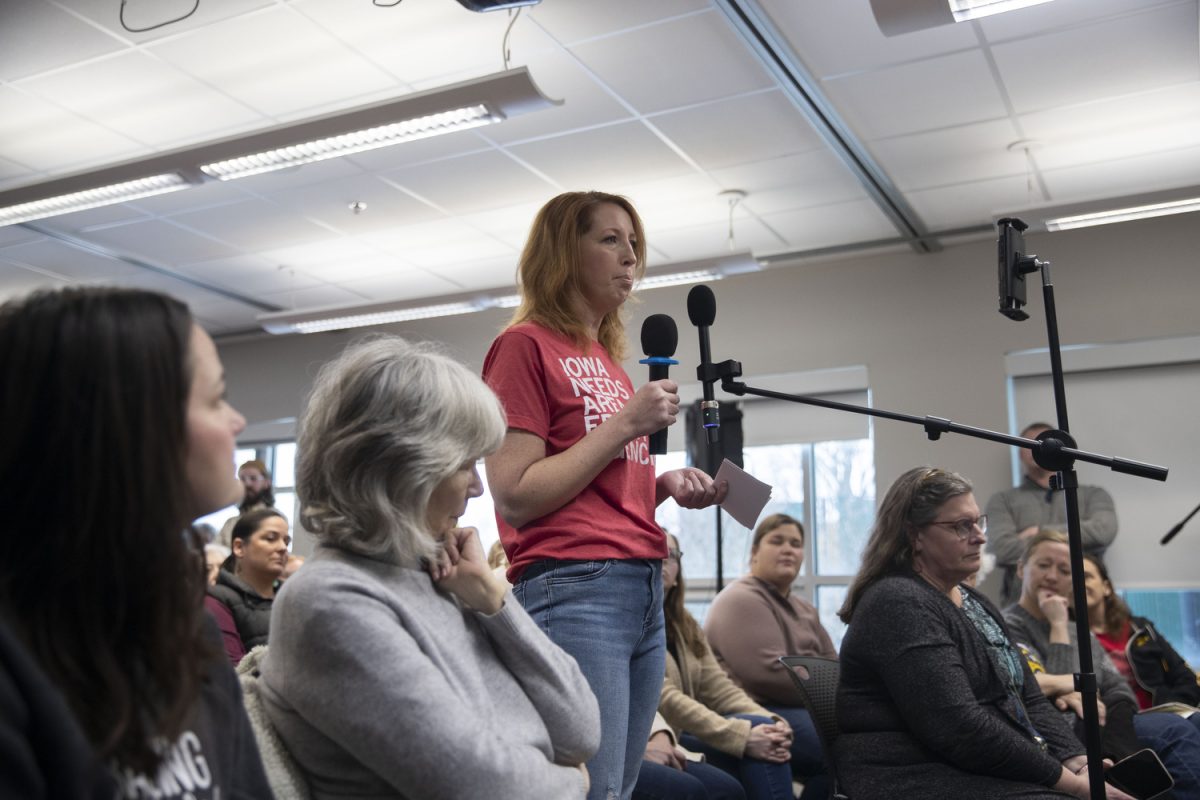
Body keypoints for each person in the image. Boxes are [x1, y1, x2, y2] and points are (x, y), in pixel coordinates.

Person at [261, 335, 600, 798]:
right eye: (466, 466)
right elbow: (485, 787)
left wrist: (495, 602)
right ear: (404, 469)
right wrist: (573, 782)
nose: (478, 488)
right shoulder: (329, 601)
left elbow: (580, 731)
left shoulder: (444, 574)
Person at [483, 190, 727, 800]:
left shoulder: (607, 363)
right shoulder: (524, 346)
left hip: (640, 585)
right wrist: (624, 425)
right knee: (586, 791)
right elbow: (515, 493)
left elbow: (597, 488)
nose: (631, 257)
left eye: (635, 243)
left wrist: (660, 486)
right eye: (610, 240)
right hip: (575, 586)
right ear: (565, 252)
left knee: (615, 790)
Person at [0, 287, 271, 798]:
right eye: (216, 398)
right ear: (129, 427)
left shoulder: (180, 624)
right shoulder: (16, 665)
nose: (237, 421)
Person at [835, 467, 1132, 800]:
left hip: (971, 767)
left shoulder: (974, 600)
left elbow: (1029, 697)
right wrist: (1070, 783)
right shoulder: (899, 602)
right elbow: (960, 727)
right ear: (914, 534)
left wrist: (1076, 761)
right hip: (911, 774)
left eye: (979, 522)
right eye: (962, 526)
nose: (979, 536)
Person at [1004, 530, 1200, 798]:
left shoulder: (1079, 629)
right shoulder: (1007, 625)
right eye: (1043, 565)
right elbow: (1053, 702)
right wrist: (1059, 627)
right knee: (1171, 730)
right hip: (1064, 736)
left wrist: (1081, 691)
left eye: (1064, 570)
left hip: (1110, 725)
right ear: (1020, 569)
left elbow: (1118, 686)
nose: (1052, 576)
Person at [659, 531, 796, 800]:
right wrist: (741, 736)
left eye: (672, 555)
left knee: (767, 732)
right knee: (757, 751)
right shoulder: (633, 622)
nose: (663, 560)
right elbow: (665, 698)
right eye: (655, 551)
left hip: (687, 730)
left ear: (678, 572)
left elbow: (720, 688)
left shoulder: (683, 623)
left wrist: (772, 721)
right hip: (661, 736)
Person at [703, 513, 833, 796]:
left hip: (801, 708)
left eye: (796, 544)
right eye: (777, 541)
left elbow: (833, 668)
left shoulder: (804, 609)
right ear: (754, 553)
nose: (788, 549)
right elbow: (769, 675)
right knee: (842, 748)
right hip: (753, 710)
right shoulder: (739, 599)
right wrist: (826, 687)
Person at [986, 422, 1118, 604]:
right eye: (1029, 443)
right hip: (1024, 611)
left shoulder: (1093, 495)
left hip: (1083, 606)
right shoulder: (1002, 501)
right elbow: (1001, 550)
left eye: (1045, 442)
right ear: (1019, 453)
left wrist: (1037, 533)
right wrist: (1077, 539)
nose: (1039, 447)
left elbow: (1103, 532)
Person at [1083, 553, 1200, 720]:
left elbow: (1184, 676)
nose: (1078, 584)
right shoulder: (1069, 638)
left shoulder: (1139, 628)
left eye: (1086, 577)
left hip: (1163, 711)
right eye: (1071, 579)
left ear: (1106, 587)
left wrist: (1174, 708)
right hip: (1117, 721)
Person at [207, 508, 290, 664]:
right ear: (239, 547)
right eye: (271, 538)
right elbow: (233, 671)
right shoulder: (216, 600)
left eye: (286, 541)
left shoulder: (292, 595)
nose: (283, 548)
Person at [634, 712, 746, 800]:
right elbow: (671, 699)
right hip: (620, 758)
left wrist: (661, 734)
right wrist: (741, 736)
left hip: (648, 736)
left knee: (727, 789)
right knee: (688, 790)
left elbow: (640, 701)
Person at [219, 460, 276, 547]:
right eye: (242, 479)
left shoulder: (275, 518)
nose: (247, 484)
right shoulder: (230, 523)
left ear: (266, 483)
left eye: (253, 478)